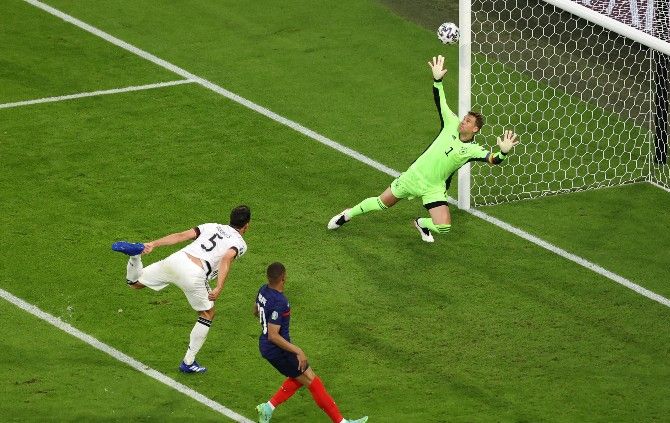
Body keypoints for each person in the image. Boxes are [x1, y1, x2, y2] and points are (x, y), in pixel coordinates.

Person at [327, 55, 520, 242]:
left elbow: (493, 159)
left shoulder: (472, 150)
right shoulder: (450, 123)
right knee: (381, 204)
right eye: (464, 118)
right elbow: (440, 101)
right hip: (414, 176)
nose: (463, 122)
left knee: (444, 227)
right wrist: (438, 80)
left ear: (475, 128)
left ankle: (422, 223)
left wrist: (503, 151)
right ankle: (346, 215)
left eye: (468, 121)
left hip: (434, 188)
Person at [111, 205, 251, 373]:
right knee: (207, 313)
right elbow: (226, 259)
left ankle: (135, 256)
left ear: (230, 218)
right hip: (195, 273)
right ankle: (188, 362)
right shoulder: (240, 243)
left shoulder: (212, 226)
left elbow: (181, 236)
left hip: (176, 260)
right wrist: (219, 287)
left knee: (135, 283)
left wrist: (153, 244)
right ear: (247, 225)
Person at [254, 262, 367, 423]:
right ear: (283, 277)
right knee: (312, 380)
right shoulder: (280, 302)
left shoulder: (263, 290)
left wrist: (266, 321)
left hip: (268, 345)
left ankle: (268, 408)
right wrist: (298, 350)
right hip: (277, 349)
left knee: (299, 377)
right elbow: (273, 335)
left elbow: (255, 310)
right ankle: (341, 422)